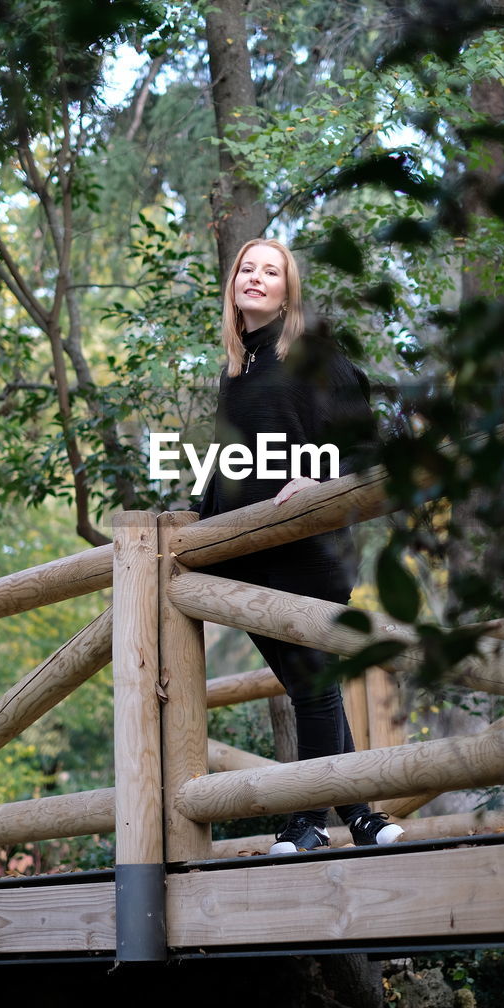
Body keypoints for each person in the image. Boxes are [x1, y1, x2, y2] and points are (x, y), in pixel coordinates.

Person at [197, 238, 404, 854]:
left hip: (308, 547)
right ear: (233, 284)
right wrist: (192, 519)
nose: (256, 278)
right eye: (246, 269)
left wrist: (323, 478)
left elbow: (363, 443)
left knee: (315, 683)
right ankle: (361, 816)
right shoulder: (238, 370)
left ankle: (304, 821)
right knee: (309, 688)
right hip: (244, 556)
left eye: (271, 271)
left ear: (289, 291)